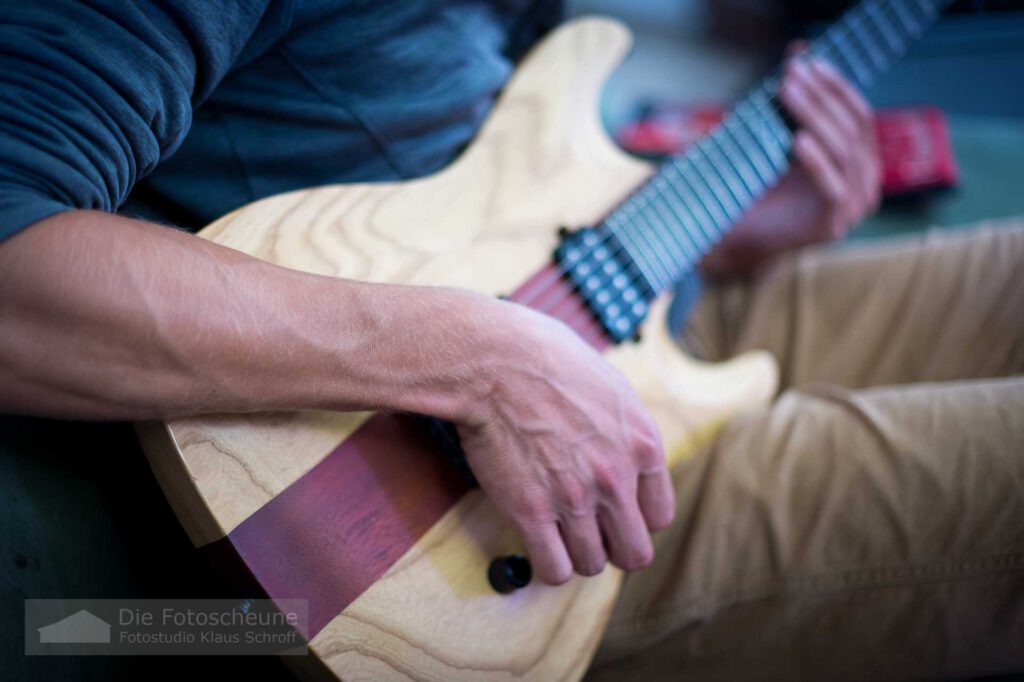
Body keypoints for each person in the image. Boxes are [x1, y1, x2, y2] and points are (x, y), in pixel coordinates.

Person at [0, 1, 1020, 680]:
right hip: (443, 523)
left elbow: (504, 166)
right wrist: (475, 361)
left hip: (638, 301)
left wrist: (730, 223)